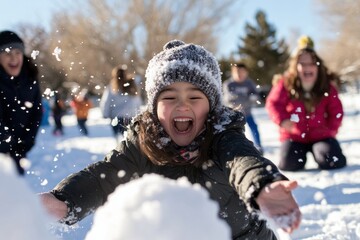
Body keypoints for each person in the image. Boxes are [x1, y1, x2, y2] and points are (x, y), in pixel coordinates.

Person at [39, 40, 301, 239]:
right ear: (153, 107)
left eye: (195, 97)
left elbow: (244, 161)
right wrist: (65, 200)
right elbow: (105, 175)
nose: (182, 106)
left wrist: (263, 185)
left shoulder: (224, 136)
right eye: (169, 97)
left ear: (211, 106)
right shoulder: (143, 143)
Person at [265, 36, 347, 171]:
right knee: (288, 164)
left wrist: (331, 130)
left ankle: (322, 152)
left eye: (311, 64)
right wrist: (283, 120)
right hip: (294, 136)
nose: (307, 67)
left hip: (321, 136)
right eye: (303, 64)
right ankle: (298, 157)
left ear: (318, 66)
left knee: (333, 161)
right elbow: (273, 103)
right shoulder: (286, 83)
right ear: (295, 67)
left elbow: (336, 110)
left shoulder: (327, 86)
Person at [0, 30, 43, 175]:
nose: (13, 58)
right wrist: (7, 143)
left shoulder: (30, 78)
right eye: (7, 53)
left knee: (13, 192)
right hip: (2, 151)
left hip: (18, 152)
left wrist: (27, 141)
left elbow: (37, 112)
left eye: (17, 52)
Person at [223, 62, 263, 154]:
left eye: (242, 72)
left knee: (254, 128)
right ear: (232, 73)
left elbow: (256, 95)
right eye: (237, 72)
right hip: (233, 114)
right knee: (232, 131)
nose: (239, 74)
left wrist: (253, 97)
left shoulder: (249, 83)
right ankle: (231, 149)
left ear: (246, 73)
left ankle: (258, 146)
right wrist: (247, 98)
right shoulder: (229, 84)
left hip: (247, 113)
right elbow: (228, 98)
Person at [100, 65, 143, 141]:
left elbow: (106, 102)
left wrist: (105, 113)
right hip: (130, 117)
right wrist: (138, 113)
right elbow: (137, 101)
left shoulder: (111, 87)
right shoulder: (131, 85)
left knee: (120, 141)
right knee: (130, 140)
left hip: (117, 117)